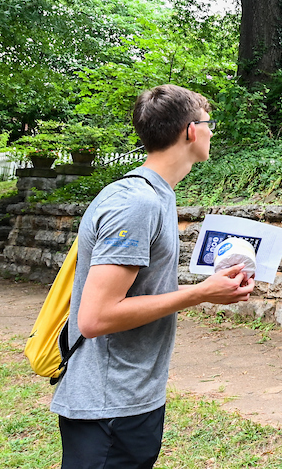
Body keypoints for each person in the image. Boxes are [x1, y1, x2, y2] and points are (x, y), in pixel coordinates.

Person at [51, 85, 256, 469]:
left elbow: (138, 293)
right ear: (191, 131)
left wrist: (209, 289)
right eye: (209, 124)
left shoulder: (157, 195)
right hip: (108, 406)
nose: (211, 133)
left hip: (132, 399)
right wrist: (199, 294)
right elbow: (96, 317)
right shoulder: (136, 203)